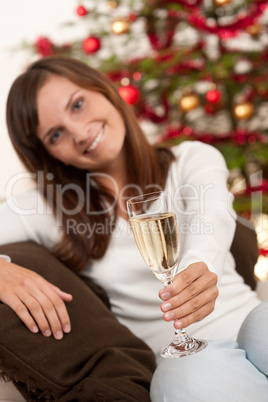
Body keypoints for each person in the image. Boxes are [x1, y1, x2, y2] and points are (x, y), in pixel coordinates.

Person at [0, 55, 267, 401]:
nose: (80, 133)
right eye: (56, 134)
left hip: (251, 326)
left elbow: (211, 217)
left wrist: (199, 266)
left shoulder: (192, 159)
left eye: (78, 105)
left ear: (105, 91)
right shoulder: (48, 210)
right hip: (191, 367)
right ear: (51, 155)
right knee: (185, 377)